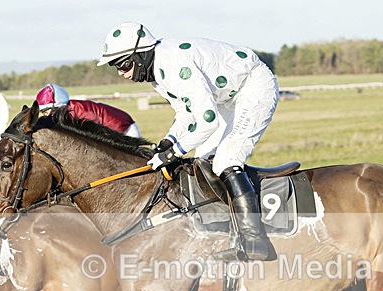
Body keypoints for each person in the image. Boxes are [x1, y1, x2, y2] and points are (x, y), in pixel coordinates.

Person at [97, 21, 277, 261]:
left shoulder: (173, 64)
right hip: (227, 98)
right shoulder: (157, 73)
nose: (121, 72)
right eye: (115, 67)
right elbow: (185, 113)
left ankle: (256, 241)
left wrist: (174, 153)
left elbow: (207, 120)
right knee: (204, 159)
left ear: (140, 56)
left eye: (123, 64)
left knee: (226, 159)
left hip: (253, 88)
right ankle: (231, 233)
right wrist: (168, 141)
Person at [35, 83, 142, 138]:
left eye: (46, 111)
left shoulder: (78, 111)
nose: (46, 115)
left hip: (124, 129)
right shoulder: (70, 109)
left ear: (56, 107)